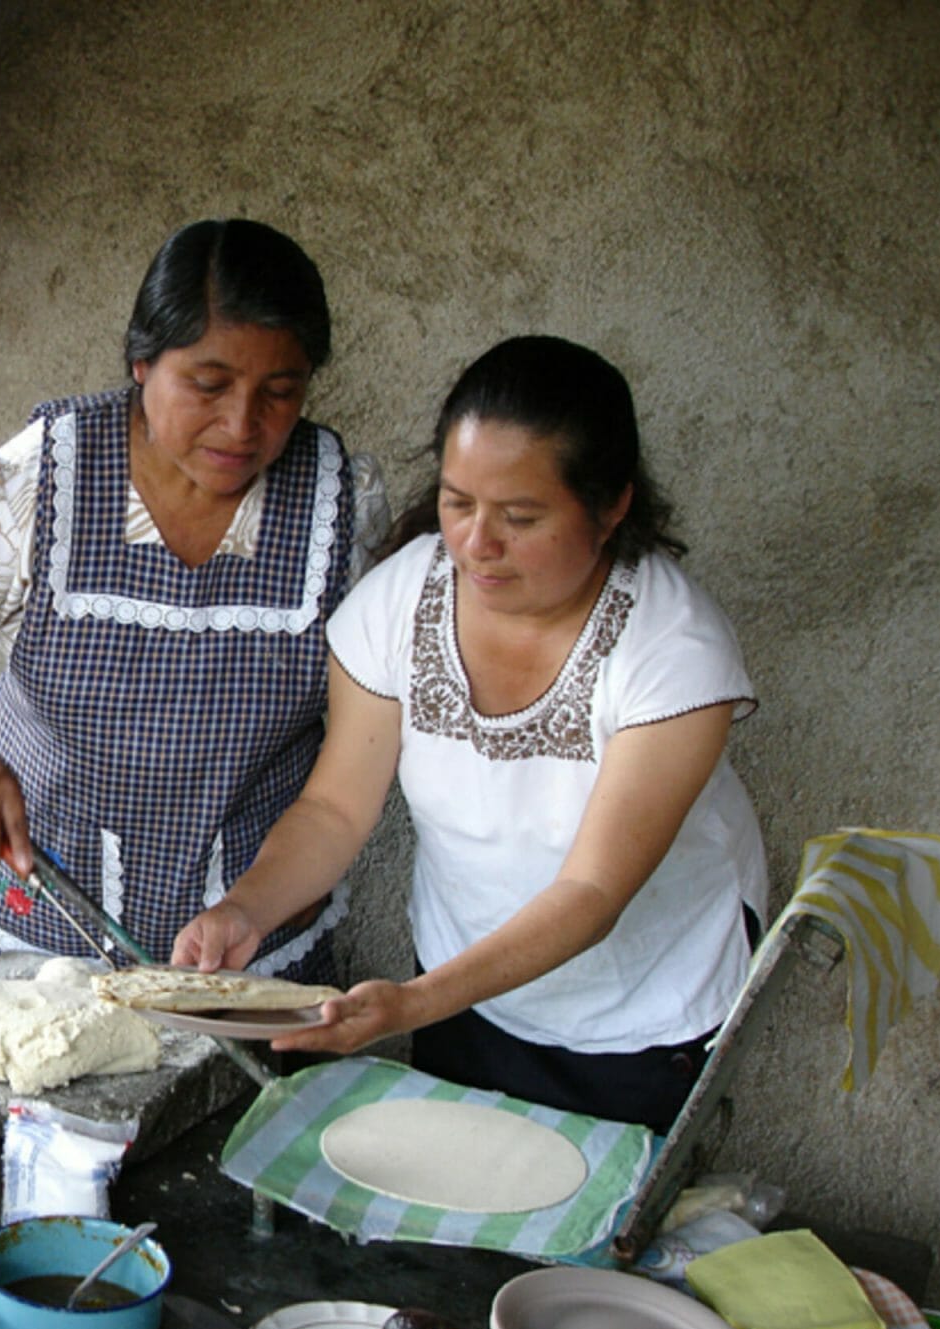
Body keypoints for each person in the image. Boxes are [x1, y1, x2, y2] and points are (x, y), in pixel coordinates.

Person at [171, 335, 766, 1133]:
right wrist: (246, 910)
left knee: (595, 1231)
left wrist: (412, 1004)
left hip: (640, 1004)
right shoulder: (402, 600)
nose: (476, 545)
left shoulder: (671, 649)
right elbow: (337, 811)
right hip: (465, 977)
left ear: (612, 504)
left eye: (520, 517)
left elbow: (591, 895)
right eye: (458, 503)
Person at [0, 219, 371, 978]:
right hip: (32, 936)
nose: (241, 424)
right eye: (208, 384)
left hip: (246, 957)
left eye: (279, 393)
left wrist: (255, 906)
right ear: (142, 362)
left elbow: (357, 750)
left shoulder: (338, 506)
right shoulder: (43, 479)